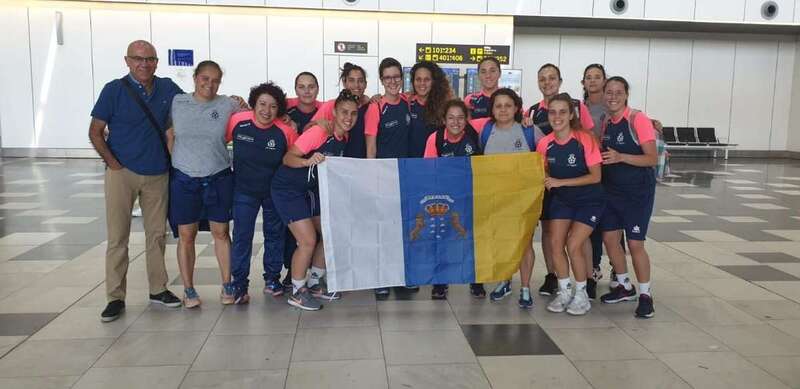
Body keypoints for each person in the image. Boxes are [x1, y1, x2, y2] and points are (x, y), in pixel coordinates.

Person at [89, 40, 183, 322]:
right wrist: (113, 164)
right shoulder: (114, 90)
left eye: (150, 59)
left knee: (156, 236)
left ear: (157, 62)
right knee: (118, 237)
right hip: (122, 174)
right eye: (138, 58)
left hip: (157, 173)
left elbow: (194, 104)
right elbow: (95, 131)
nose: (144, 64)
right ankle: (115, 297)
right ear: (127, 61)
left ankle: (158, 289)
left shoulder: (167, 87)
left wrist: (233, 103)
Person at [272, 89, 361, 311]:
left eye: (353, 113)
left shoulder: (344, 136)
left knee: (329, 232)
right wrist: (308, 161)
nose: (348, 118)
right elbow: (288, 157)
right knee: (308, 241)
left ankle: (314, 282)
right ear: (334, 112)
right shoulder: (320, 132)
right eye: (343, 112)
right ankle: (297, 291)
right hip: (288, 189)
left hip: (309, 192)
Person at [165, 60, 239, 308]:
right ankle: (188, 289)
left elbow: (256, 113)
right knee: (187, 235)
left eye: (216, 79)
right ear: (195, 77)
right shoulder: (178, 102)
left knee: (221, 232)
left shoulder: (229, 104)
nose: (210, 84)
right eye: (205, 78)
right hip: (185, 178)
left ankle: (227, 284)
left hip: (217, 176)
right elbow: (169, 133)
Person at [525, 63, 595, 298]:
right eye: (542, 79)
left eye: (552, 78)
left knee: (579, 234)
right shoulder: (532, 112)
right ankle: (554, 275)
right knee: (550, 232)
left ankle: (587, 278)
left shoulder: (577, 107)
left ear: (560, 81)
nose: (547, 82)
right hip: (548, 181)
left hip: (577, 180)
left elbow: (591, 139)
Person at [471, 88, 544, 309]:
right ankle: (504, 281)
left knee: (524, 243)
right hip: (496, 200)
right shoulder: (484, 131)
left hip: (523, 200)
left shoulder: (529, 131)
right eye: (498, 105)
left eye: (508, 105)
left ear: (516, 107)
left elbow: (545, 159)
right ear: (492, 109)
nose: (503, 110)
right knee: (502, 241)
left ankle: (524, 288)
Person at [226, 82, 298, 304]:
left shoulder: (285, 131)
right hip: (244, 191)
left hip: (273, 192)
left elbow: (293, 156)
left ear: (279, 110)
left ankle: (272, 279)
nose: (267, 111)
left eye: (273, 106)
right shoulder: (237, 121)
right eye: (262, 104)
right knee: (242, 237)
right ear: (254, 104)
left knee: (274, 236)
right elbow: (219, 141)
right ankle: (239, 284)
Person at [536, 93, 605, 316]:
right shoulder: (544, 144)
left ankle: (582, 293)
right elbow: (543, 171)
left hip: (589, 200)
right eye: (553, 112)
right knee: (556, 244)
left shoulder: (585, 139)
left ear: (571, 114)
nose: (557, 117)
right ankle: (565, 292)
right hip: (563, 200)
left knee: (574, 245)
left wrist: (560, 182)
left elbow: (596, 177)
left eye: (562, 112)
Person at [597, 76, 658, 319]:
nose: (612, 96)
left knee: (635, 244)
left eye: (618, 92)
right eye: (608, 92)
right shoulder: (605, 123)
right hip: (611, 191)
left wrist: (621, 157)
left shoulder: (637, 119)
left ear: (626, 94)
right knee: (610, 239)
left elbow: (652, 158)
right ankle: (624, 286)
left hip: (637, 193)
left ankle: (645, 295)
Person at [423, 99, 483, 299]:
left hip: (470, 194)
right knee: (443, 238)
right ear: (444, 120)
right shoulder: (436, 138)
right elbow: (428, 171)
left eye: (460, 118)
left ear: (467, 120)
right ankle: (440, 281)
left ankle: (476, 280)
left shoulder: (474, 135)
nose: (455, 122)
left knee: (471, 239)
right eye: (451, 118)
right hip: (444, 196)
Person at [367, 57, 416, 296]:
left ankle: (400, 275)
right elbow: (371, 147)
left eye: (397, 76)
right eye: (388, 77)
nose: (393, 81)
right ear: (381, 80)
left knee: (403, 227)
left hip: (405, 175)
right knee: (383, 227)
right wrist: (372, 177)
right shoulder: (376, 107)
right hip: (383, 175)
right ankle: (381, 277)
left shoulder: (407, 102)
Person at [282, 72, 322, 292]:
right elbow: (260, 104)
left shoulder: (324, 111)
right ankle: (292, 275)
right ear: (295, 89)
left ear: (317, 88)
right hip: (290, 179)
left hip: (314, 182)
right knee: (293, 233)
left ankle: (313, 274)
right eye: (301, 86)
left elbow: (349, 104)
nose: (307, 91)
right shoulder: (286, 109)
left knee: (314, 233)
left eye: (311, 86)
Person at [581, 63, 608, 298]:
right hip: (587, 170)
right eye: (588, 77)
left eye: (597, 77)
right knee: (592, 225)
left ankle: (619, 274)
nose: (592, 81)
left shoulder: (611, 106)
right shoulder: (579, 108)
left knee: (608, 224)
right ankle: (593, 267)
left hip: (610, 169)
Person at [311, 63, 371, 158]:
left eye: (360, 81)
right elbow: (306, 131)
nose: (356, 85)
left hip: (361, 163)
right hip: (336, 163)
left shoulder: (370, 106)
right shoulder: (331, 105)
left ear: (365, 84)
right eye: (351, 80)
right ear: (344, 82)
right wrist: (317, 122)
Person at [408, 61, 452, 158]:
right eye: (418, 79)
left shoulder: (446, 106)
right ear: (413, 81)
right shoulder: (407, 102)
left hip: (437, 164)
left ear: (434, 81)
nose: (422, 83)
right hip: (411, 164)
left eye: (427, 79)